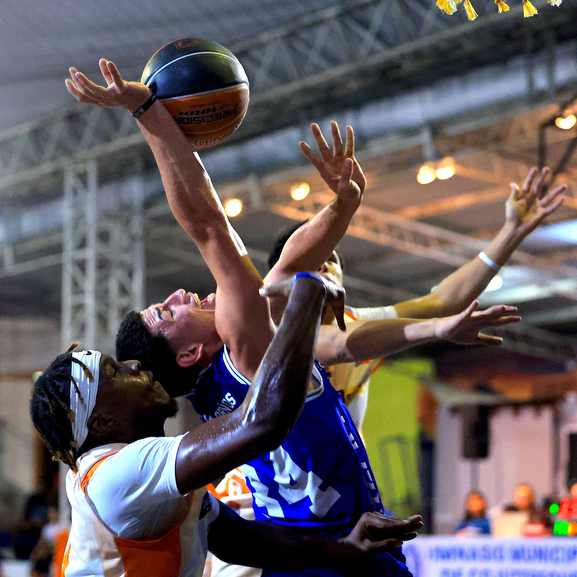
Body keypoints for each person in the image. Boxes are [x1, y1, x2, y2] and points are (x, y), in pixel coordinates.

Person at [66, 58, 521, 577]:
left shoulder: (224, 383)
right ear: (190, 352)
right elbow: (209, 225)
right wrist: (147, 109)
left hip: (304, 557)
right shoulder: (245, 350)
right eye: (167, 313)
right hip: (345, 562)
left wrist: (342, 208)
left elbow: (291, 276)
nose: (177, 294)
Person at [31, 274, 423, 577]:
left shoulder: (140, 476)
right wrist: (304, 298)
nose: (134, 365)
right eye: (115, 372)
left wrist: (345, 547)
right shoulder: (117, 475)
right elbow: (261, 422)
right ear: (102, 421)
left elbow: (244, 542)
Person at [267, 165, 567, 429]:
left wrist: (510, 232)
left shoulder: (356, 321)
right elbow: (339, 345)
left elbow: (443, 301)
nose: (325, 264)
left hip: (335, 472)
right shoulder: (268, 326)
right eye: (315, 259)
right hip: (267, 474)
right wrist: (435, 328)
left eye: (332, 259)